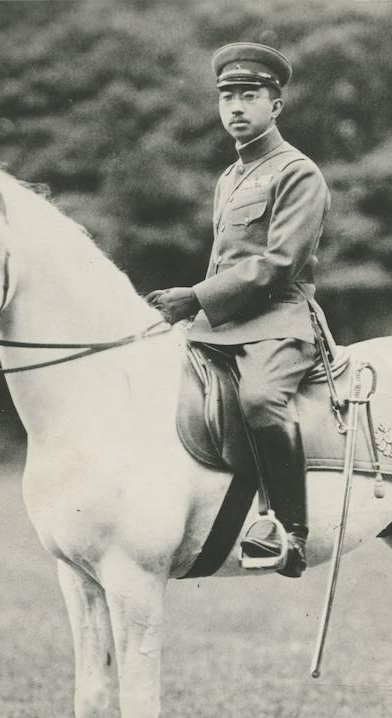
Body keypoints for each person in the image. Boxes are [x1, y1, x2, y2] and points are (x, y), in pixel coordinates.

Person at [147, 42, 331, 577]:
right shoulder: (230, 178)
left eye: (249, 96)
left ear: (276, 105)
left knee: (259, 398)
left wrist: (197, 296)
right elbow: (223, 259)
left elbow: (281, 262)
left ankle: (291, 534)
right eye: (227, 97)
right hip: (222, 322)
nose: (236, 107)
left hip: (281, 320)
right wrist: (194, 311)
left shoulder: (298, 172)